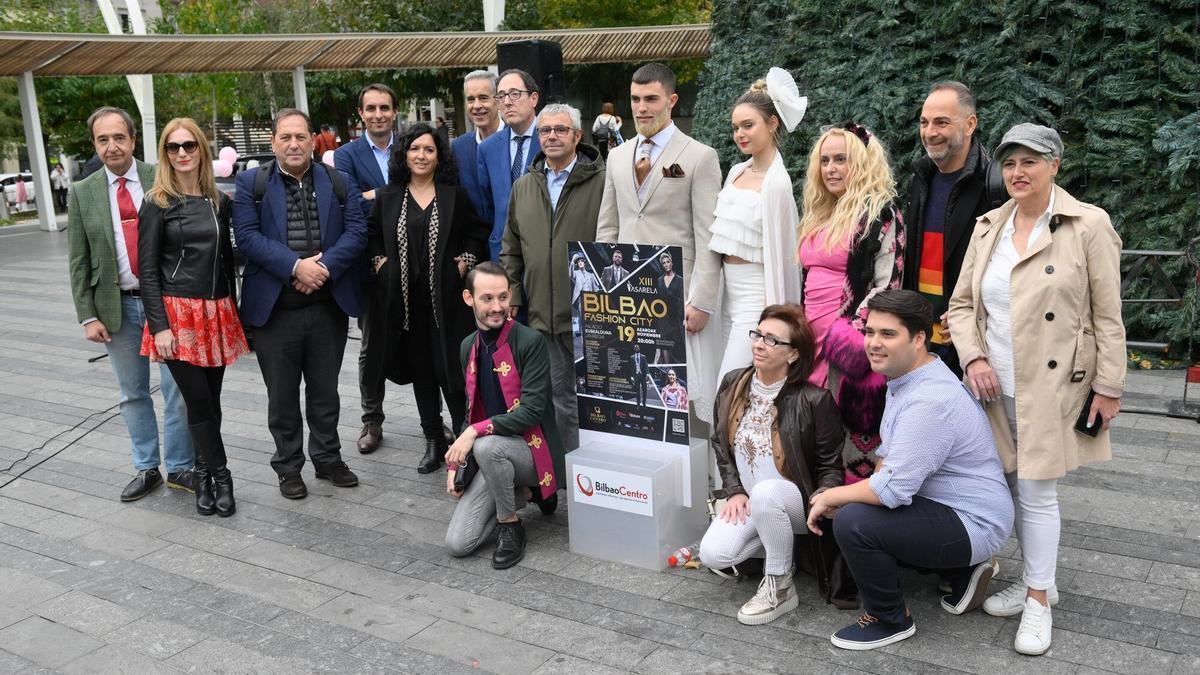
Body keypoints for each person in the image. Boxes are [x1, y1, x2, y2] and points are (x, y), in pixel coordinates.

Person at [947, 123, 1125, 656]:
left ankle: (1039, 601)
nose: (1017, 173)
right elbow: (960, 307)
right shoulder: (988, 226)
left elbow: (1108, 315)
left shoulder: (1088, 225)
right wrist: (974, 356)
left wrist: (1110, 386)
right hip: (991, 382)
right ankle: (1035, 582)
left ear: (1055, 165)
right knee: (1011, 484)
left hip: (1054, 384)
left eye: (1030, 161)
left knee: (1038, 490)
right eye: (1009, 163)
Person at [808, 290, 1013, 651]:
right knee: (862, 506)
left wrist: (831, 496)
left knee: (854, 521)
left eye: (888, 334)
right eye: (870, 332)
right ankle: (960, 571)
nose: (873, 343)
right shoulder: (909, 378)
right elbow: (889, 463)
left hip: (973, 521)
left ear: (919, 338)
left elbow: (891, 491)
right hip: (954, 510)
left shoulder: (930, 400)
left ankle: (889, 619)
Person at [232, 108, 367, 500]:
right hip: (274, 312)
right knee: (282, 396)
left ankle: (327, 459)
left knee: (325, 392)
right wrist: (294, 267)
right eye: (285, 137)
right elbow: (247, 237)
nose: (293, 144)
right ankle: (288, 467)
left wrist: (321, 267)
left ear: (313, 140)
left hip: (327, 308)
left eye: (301, 137)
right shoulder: (250, 184)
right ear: (273, 142)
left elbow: (357, 233)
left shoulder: (339, 181)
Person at [66, 106, 195, 502]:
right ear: (95, 145)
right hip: (116, 308)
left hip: (168, 305)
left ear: (133, 140)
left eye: (119, 137)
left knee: (178, 389)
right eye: (103, 140)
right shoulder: (83, 192)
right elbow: (78, 259)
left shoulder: (162, 177)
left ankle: (180, 467)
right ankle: (146, 467)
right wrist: (88, 315)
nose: (112, 146)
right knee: (132, 393)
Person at [700, 304, 848, 624]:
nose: (758, 343)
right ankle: (782, 552)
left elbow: (830, 466)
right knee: (714, 554)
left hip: (794, 503)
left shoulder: (814, 400)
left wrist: (826, 496)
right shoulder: (733, 383)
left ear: (793, 354)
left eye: (771, 340)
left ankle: (780, 586)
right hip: (752, 500)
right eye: (758, 334)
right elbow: (719, 442)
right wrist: (735, 490)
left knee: (767, 492)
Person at [595, 62, 723, 418]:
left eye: (651, 98)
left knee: (683, 395)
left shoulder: (700, 157)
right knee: (634, 391)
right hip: (626, 300)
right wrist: (605, 293)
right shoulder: (618, 156)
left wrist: (703, 301)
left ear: (672, 101)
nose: (641, 107)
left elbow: (708, 236)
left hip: (677, 298)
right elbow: (608, 226)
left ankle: (695, 476)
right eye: (635, 99)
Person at [137, 117, 250, 517]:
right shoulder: (156, 202)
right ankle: (220, 477)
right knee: (197, 400)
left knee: (211, 402)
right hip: (177, 314)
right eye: (173, 147)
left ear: (201, 149)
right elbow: (146, 270)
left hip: (216, 310)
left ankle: (202, 471)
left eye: (189, 145)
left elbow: (227, 261)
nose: (182, 153)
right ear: (165, 153)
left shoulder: (219, 200)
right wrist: (159, 325)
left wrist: (236, 313)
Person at [366, 122, 489, 474]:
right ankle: (434, 440)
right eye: (415, 148)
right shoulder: (388, 196)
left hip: (447, 304)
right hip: (405, 307)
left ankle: (465, 441)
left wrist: (465, 261)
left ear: (439, 157)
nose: (421, 155)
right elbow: (372, 236)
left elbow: (476, 233)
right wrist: (381, 264)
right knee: (421, 373)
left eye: (429, 149)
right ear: (404, 154)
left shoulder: (454, 195)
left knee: (452, 373)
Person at [796, 123, 904, 482]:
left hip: (848, 348)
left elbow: (888, 285)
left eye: (841, 159)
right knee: (808, 437)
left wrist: (851, 335)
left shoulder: (881, 213)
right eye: (825, 160)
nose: (831, 168)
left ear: (862, 163)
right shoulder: (818, 212)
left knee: (849, 446)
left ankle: (847, 524)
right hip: (809, 339)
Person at [500, 103, 605, 452]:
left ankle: (598, 469)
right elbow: (511, 247)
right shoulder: (524, 187)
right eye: (545, 131)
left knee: (598, 398)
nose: (552, 136)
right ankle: (570, 475)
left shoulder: (602, 183)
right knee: (560, 398)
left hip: (591, 313)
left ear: (577, 136)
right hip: (543, 315)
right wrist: (513, 294)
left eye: (561, 130)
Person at [444, 262, 563, 569]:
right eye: (487, 298)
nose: (497, 307)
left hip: (533, 451)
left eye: (502, 297)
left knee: (485, 445)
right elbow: (469, 410)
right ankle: (522, 493)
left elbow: (533, 410)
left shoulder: (530, 341)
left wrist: (473, 433)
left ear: (510, 295)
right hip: (492, 453)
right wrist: (454, 464)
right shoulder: (467, 347)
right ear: (469, 298)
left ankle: (510, 524)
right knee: (458, 544)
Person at [707, 69, 806, 389]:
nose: (740, 134)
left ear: (772, 124)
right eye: (736, 127)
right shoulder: (736, 170)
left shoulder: (777, 183)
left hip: (755, 298)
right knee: (721, 387)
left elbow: (785, 257)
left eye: (748, 125)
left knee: (730, 385)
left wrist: (776, 319)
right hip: (725, 295)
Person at [903, 81, 992, 378]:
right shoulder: (920, 178)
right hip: (920, 336)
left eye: (942, 122)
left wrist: (973, 315)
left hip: (968, 343)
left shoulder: (993, 184)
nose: (930, 132)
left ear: (970, 125)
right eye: (925, 122)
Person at [335, 83, 398, 456]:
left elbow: (425, 192)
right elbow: (351, 206)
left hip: (418, 260)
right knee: (371, 345)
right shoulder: (345, 155)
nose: (378, 114)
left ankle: (432, 418)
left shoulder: (410, 147)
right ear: (361, 114)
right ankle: (371, 418)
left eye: (384, 108)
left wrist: (375, 194)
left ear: (394, 112)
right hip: (371, 264)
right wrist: (396, 192)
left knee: (424, 341)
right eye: (371, 108)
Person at [476, 69, 541, 260]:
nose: (507, 102)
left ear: (534, 99)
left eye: (515, 94)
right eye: (501, 96)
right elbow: (487, 205)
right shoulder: (487, 148)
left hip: (542, 250)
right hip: (502, 252)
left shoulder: (552, 140)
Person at [452, 70, 502, 220]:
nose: (477, 105)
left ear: (498, 100)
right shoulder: (458, 147)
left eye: (483, 98)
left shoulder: (515, 141)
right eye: (471, 99)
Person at [653, 251, 684, 363]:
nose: (666, 264)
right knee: (664, 344)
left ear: (672, 263)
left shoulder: (680, 280)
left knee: (675, 346)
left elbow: (681, 299)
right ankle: (666, 368)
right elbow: (658, 299)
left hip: (676, 316)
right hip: (663, 317)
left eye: (668, 262)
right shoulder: (659, 280)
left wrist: (683, 317)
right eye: (664, 263)